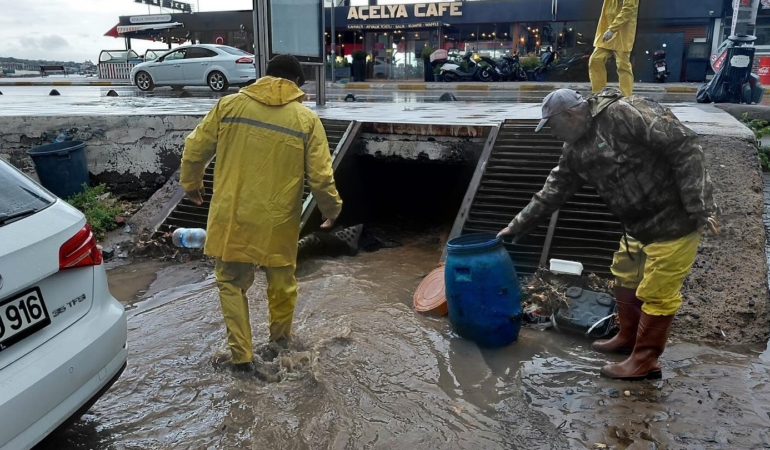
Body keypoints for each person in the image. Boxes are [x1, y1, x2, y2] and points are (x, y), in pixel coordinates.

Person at [498, 88, 718, 381]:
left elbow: (684, 144)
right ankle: (627, 336)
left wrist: (699, 205)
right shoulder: (574, 150)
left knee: (657, 293)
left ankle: (645, 360)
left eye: (553, 126)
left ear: (570, 115)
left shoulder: (625, 113)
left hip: (674, 221)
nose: (552, 134)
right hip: (636, 226)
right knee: (624, 276)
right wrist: (518, 224)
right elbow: (554, 190)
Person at [180, 54, 343, 372]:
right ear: (296, 83)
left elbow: (194, 148)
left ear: (265, 76)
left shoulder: (228, 106)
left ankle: (241, 358)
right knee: (282, 282)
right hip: (278, 220)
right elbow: (321, 176)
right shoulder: (305, 120)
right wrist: (331, 209)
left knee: (230, 282)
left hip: (233, 215)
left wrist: (191, 184)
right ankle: (280, 344)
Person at [589, 0, 639, 97]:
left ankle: (626, 96)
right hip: (607, 32)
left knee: (623, 65)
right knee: (595, 59)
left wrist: (612, 29)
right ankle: (599, 93)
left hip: (622, 33)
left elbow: (628, 10)